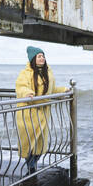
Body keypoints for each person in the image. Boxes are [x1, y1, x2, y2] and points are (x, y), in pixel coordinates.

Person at [15, 46, 68, 174]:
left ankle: (32, 165)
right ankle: (30, 167)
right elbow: (21, 87)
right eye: (39, 56)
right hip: (28, 112)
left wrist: (64, 90)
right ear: (33, 59)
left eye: (43, 56)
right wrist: (27, 93)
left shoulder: (48, 73)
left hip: (43, 113)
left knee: (40, 143)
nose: (42, 58)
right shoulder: (25, 73)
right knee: (28, 141)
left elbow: (52, 90)